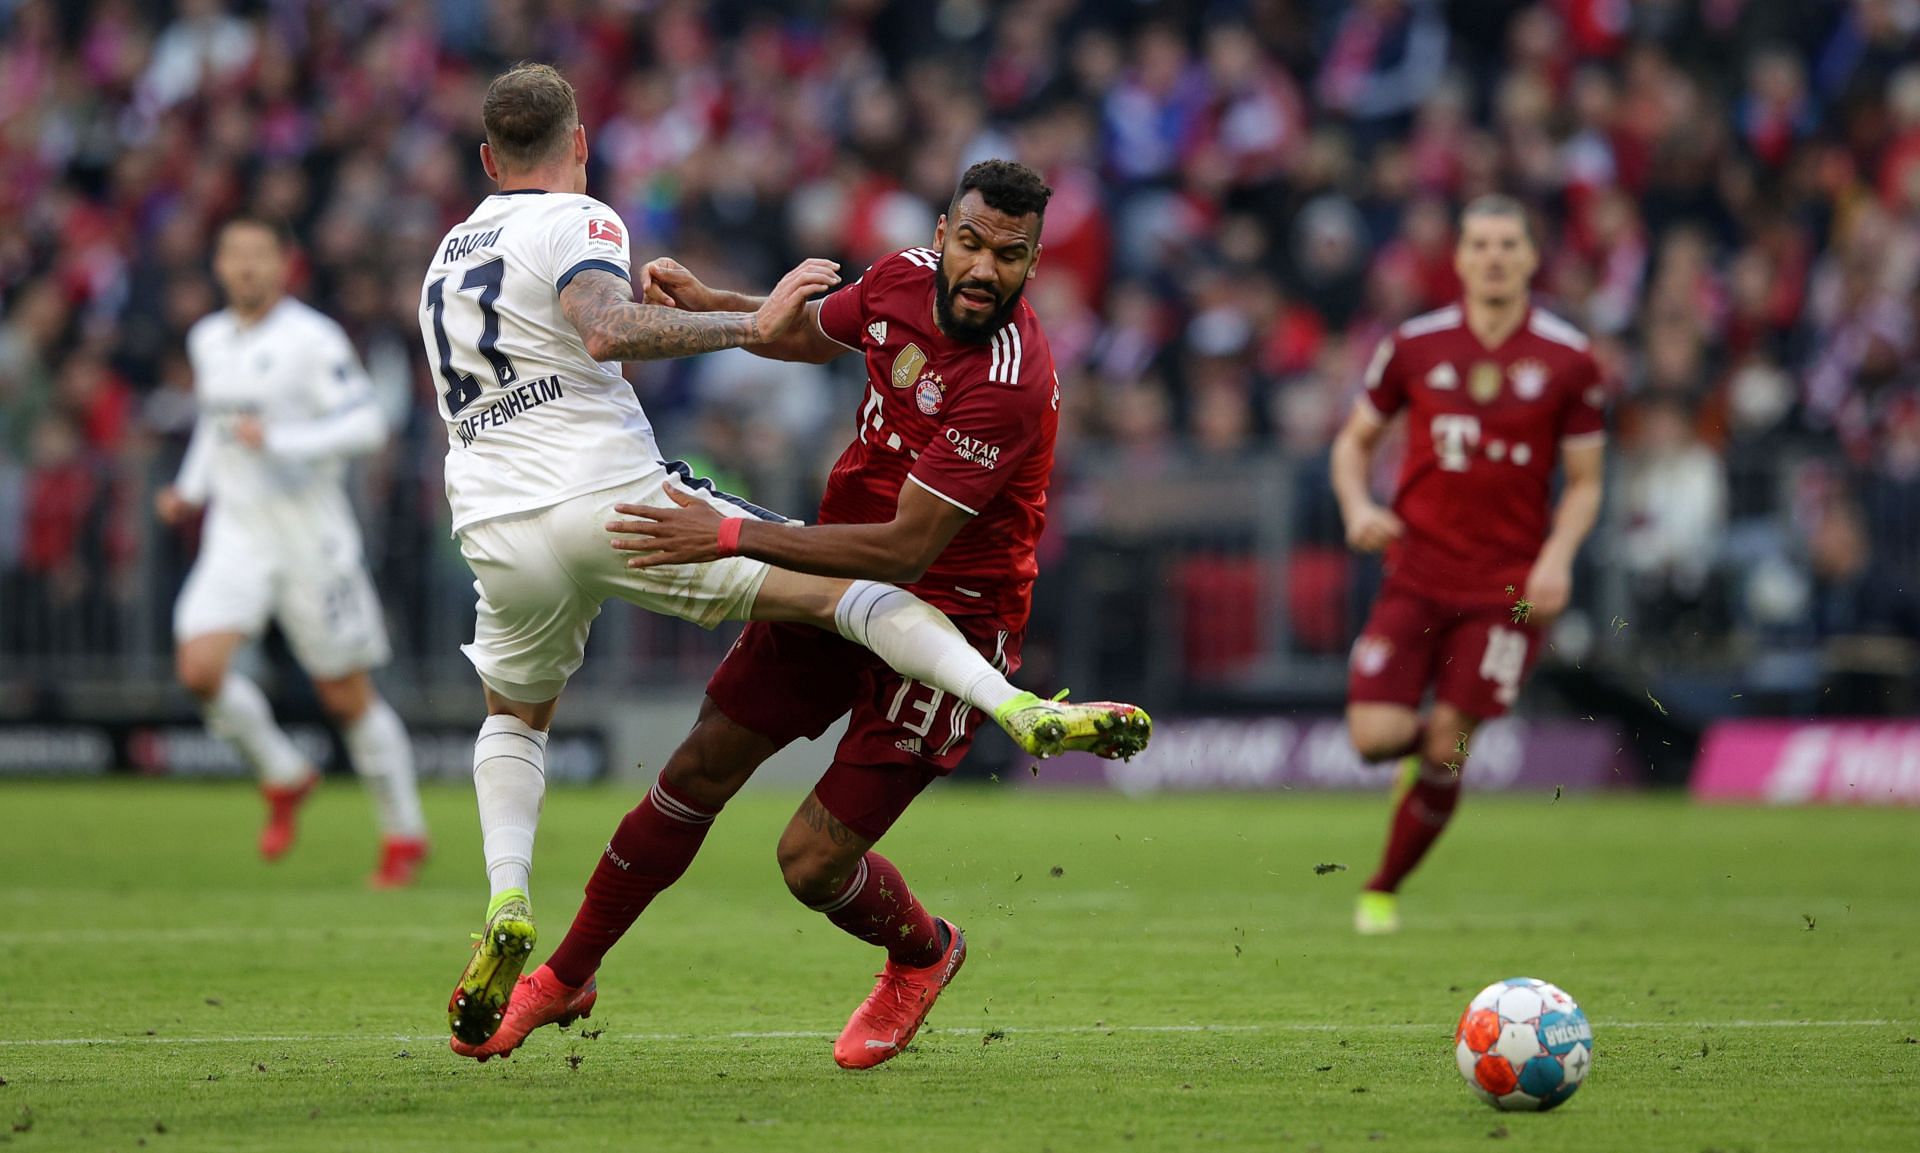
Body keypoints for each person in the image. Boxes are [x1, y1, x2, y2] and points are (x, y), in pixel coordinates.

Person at [425, 66, 1151, 1049]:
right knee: (695, 770)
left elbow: (902, 548)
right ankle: (561, 974)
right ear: (942, 234)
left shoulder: (1009, 385)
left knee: (809, 860)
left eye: (1010, 257)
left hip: (945, 610)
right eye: (971, 244)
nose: (984, 269)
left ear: (1031, 264)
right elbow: (816, 336)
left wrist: (725, 532)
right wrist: (726, 302)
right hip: (827, 568)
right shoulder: (898, 280)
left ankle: (924, 950)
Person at [1330, 194, 1606, 934]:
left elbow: (1585, 481)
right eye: (1479, 243)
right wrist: (1358, 507)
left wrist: (1557, 559)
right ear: (1457, 258)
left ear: (1530, 258)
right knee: (1375, 738)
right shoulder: (1414, 345)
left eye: (1507, 244)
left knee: (1448, 740)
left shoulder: (1569, 359)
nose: (1493, 256)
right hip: (1415, 572)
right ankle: (1432, 766)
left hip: (1511, 589)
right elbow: (1353, 442)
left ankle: (1382, 887)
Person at [155, 216, 428, 888]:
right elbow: (217, 430)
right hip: (237, 531)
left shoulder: (313, 339)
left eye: (259, 256)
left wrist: (280, 440)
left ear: (285, 264)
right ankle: (283, 771)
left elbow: (367, 423)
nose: (246, 268)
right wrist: (190, 492)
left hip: (311, 535)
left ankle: (404, 834)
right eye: (233, 255)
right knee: (199, 667)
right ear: (218, 265)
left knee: (345, 694)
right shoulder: (209, 338)